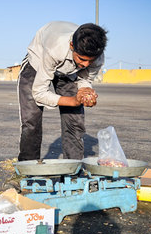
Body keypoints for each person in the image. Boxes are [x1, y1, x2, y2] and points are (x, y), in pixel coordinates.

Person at [18, 21, 108, 161]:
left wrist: (86, 93)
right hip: (37, 64)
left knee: (74, 123)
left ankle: (72, 172)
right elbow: (39, 93)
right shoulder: (55, 48)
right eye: (82, 59)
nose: (85, 65)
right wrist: (73, 101)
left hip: (69, 73)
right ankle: (27, 172)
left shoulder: (97, 57)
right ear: (72, 46)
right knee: (31, 122)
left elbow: (85, 79)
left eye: (90, 61)